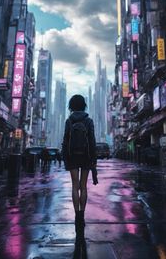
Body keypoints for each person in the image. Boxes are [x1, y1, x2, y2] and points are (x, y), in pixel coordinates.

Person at [62, 94, 97, 237]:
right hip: (86, 156)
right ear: (84, 105)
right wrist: (93, 159)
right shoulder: (89, 121)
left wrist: (65, 157)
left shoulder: (69, 121)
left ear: (71, 106)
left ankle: (76, 216)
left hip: (72, 156)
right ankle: (82, 215)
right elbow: (92, 140)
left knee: (75, 186)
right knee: (83, 186)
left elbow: (65, 140)